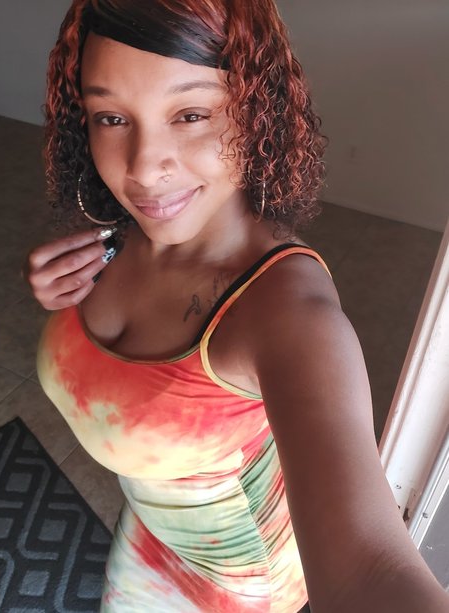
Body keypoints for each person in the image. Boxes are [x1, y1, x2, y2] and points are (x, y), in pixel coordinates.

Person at [26, 1, 449, 611]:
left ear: (257, 110)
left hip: (239, 589)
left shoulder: (288, 315)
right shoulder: (122, 236)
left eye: (190, 114)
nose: (144, 168)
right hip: (146, 535)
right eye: (111, 117)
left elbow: (368, 568)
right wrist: (58, 294)